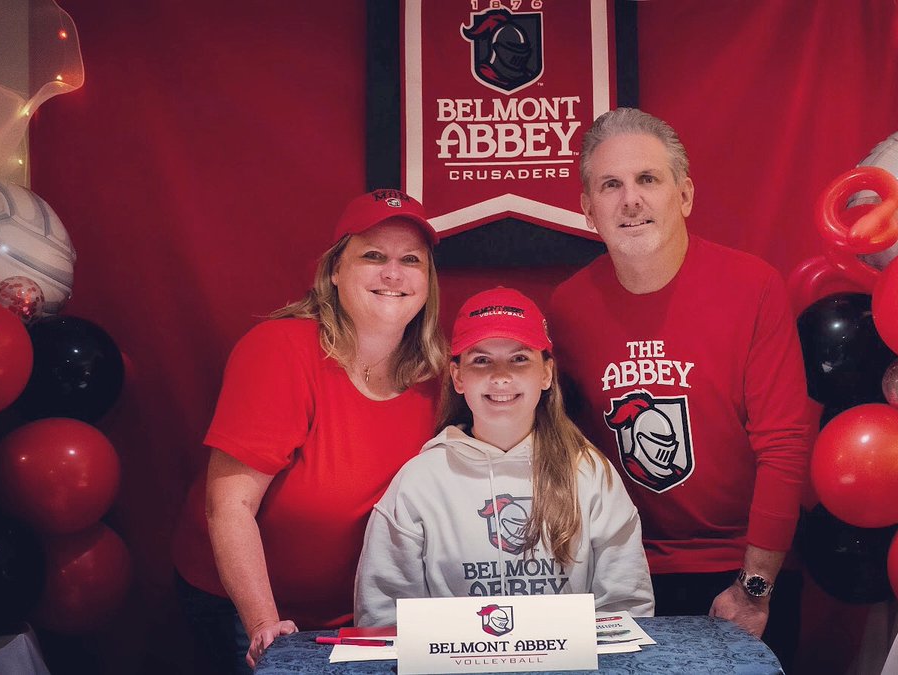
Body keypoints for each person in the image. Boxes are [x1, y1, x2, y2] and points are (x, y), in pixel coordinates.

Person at [547, 108, 811, 667]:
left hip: (743, 567)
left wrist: (755, 587)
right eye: (610, 185)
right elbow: (562, 454)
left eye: (648, 179)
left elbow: (785, 445)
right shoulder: (567, 309)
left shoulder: (752, 287)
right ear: (587, 209)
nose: (630, 199)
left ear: (684, 195)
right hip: (623, 571)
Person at [170, 189, 448, 673]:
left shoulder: (438, 377)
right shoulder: (280, 351)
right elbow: (228, 505)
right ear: (335, 271)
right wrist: (263, 623)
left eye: (411, 260)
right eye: (373, 256)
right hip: (249, 606)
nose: (392, 273)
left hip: (362, 614)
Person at [353, 287, 654, 626]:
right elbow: (384, 616)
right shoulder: (420, 482)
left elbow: (625, 606)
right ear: (457, 377)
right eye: (481, 360)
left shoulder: (590, 473)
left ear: (546, 373)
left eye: (519, 358)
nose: (500, 375)